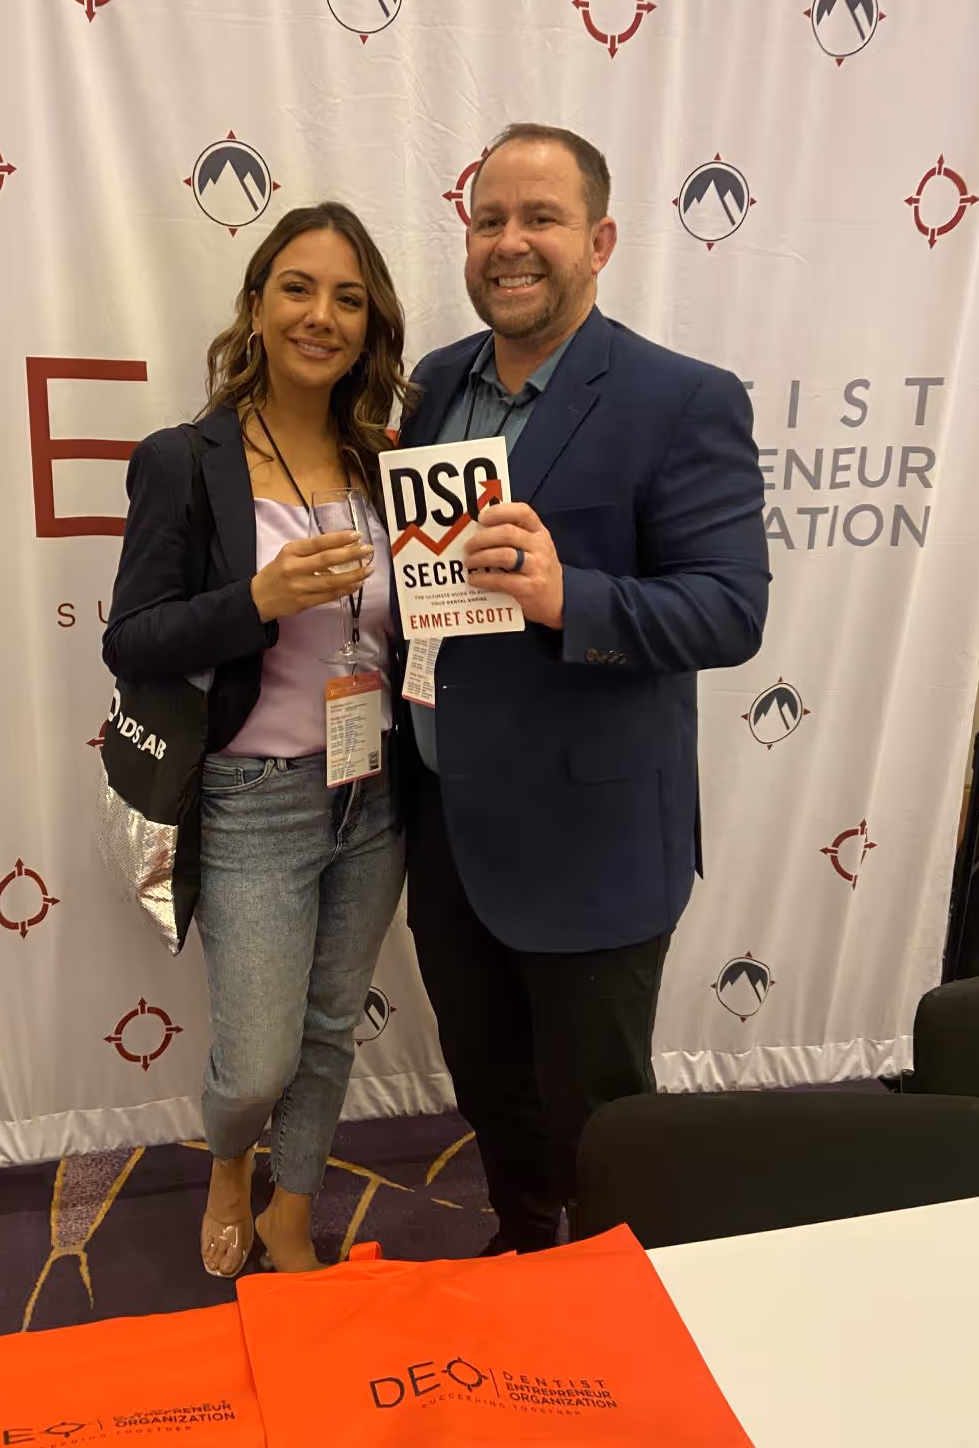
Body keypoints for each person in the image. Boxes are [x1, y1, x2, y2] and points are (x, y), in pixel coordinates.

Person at [400, 123, 771, 1254]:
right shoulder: (434, 386)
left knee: (599, 1116)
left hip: (596, 838)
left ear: (600, 240)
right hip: (447, 819)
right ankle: (524, 1245)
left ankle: (616, 1292)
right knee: (490, 1087)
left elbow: (729, 610)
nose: (511, 245)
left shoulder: (681, 399)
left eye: (541, 219)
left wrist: (572, 597)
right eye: (489, 220)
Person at [102, 203, 409, 1276]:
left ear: (370, 325)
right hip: (251, 796)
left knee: (332, 1026)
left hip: (375, 790)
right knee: (259, 1058)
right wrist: (257, 597)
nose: (321, 314)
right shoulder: (184, 460)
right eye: (298, 287)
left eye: (349, 297)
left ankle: (293, 1206)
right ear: (255, 303)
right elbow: (130, 639)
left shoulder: (388, 464)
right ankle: (232, 1156)